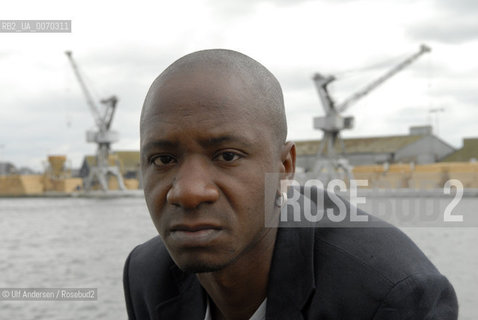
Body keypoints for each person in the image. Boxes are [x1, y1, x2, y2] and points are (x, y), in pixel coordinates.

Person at [123, 49, 458, 320]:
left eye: (227, 156)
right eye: (163, 160)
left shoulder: (390, 294)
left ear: (285, 168)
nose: (189, 191)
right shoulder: (147, 275)